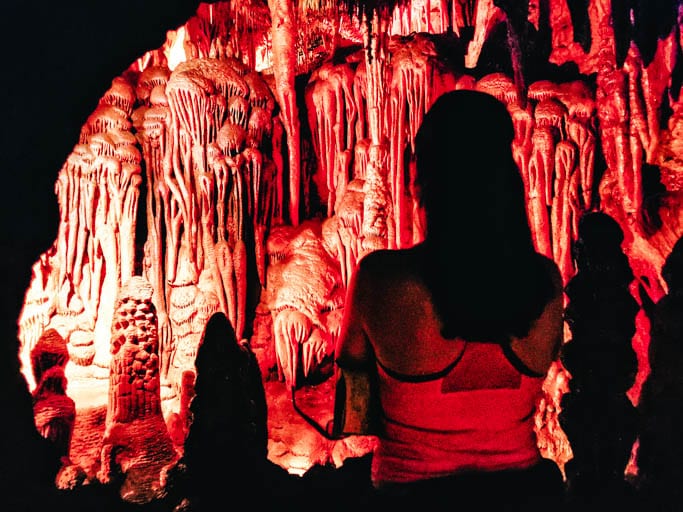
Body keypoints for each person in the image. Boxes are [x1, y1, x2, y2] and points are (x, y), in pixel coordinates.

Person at [334, 89, 566, 509]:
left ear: (426, 181)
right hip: (520, 492)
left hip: (410, 494)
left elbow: (353, 400)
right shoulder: (545, 283)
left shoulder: (381, 280)